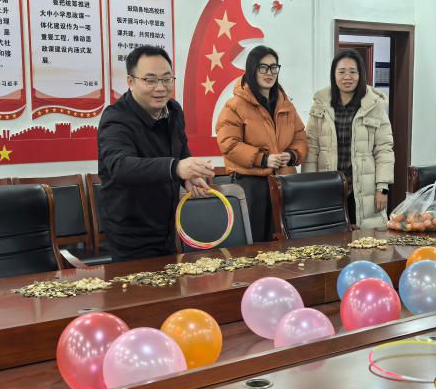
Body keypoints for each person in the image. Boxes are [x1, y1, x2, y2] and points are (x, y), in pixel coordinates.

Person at [98, 45, 214, 261]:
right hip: (130, 234)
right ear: (131, 81)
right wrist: (176, 168)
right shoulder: (116, 118)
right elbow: (120, 166)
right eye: (150, 80)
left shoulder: (174, 110)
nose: (160, 88)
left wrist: (187, 176)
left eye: (167, 79)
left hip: (167, 225)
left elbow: (181, 150)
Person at [216, 45, 308, 242]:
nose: (269, 73)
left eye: (274, 67)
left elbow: (300, 137)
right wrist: (263, 159)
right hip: (251, 186)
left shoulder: (286, 105)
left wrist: (292, 155)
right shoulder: (235, 105)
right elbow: (229, 144)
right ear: (252, 70)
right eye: (263, 67)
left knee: (283, 242)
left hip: (284, 182)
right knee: (254, 244)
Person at [303, 49, 394, 228]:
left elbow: (384, 149)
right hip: (328, 185)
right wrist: (309, 186)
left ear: (360, 75)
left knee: (364, 238)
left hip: (363, 188)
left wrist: (382, 187)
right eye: (342, 72)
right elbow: (311, 147)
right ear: (334, 75)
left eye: (353, 72)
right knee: (329, 237)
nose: (347, 77)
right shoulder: (320, 104)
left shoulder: (374, 105)